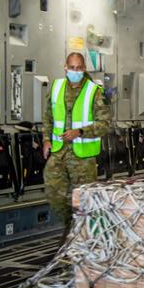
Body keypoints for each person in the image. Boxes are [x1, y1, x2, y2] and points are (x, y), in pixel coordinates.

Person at [42, 52, 110, 244]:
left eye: (79, 68)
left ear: (84, 69)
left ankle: (85, 241)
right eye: (72, 67)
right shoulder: (56, 87)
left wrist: (80, 131)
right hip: (59, 151)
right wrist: (47, 139)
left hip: (83, 156)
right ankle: (71, 227)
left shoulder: (94, 91)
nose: (75, 71)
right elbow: (48, 116)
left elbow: (105, 124)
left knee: (85, 200)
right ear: (65, 67)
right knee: (53, 191)